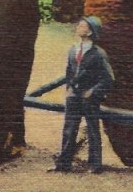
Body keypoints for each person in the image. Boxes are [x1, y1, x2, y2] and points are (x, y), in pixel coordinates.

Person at [49, 16, 115, 174]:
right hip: (73, 96)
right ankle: (63, 164)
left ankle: (95, 165)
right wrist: (69, 88)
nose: (79, 27)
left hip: (89, 98)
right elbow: (69, 71)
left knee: (93, 130)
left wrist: (93, 92)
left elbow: (108, 78)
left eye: (83, 25)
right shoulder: (73, 49)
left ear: (91, 31)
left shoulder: (99, 54)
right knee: (69, 129)